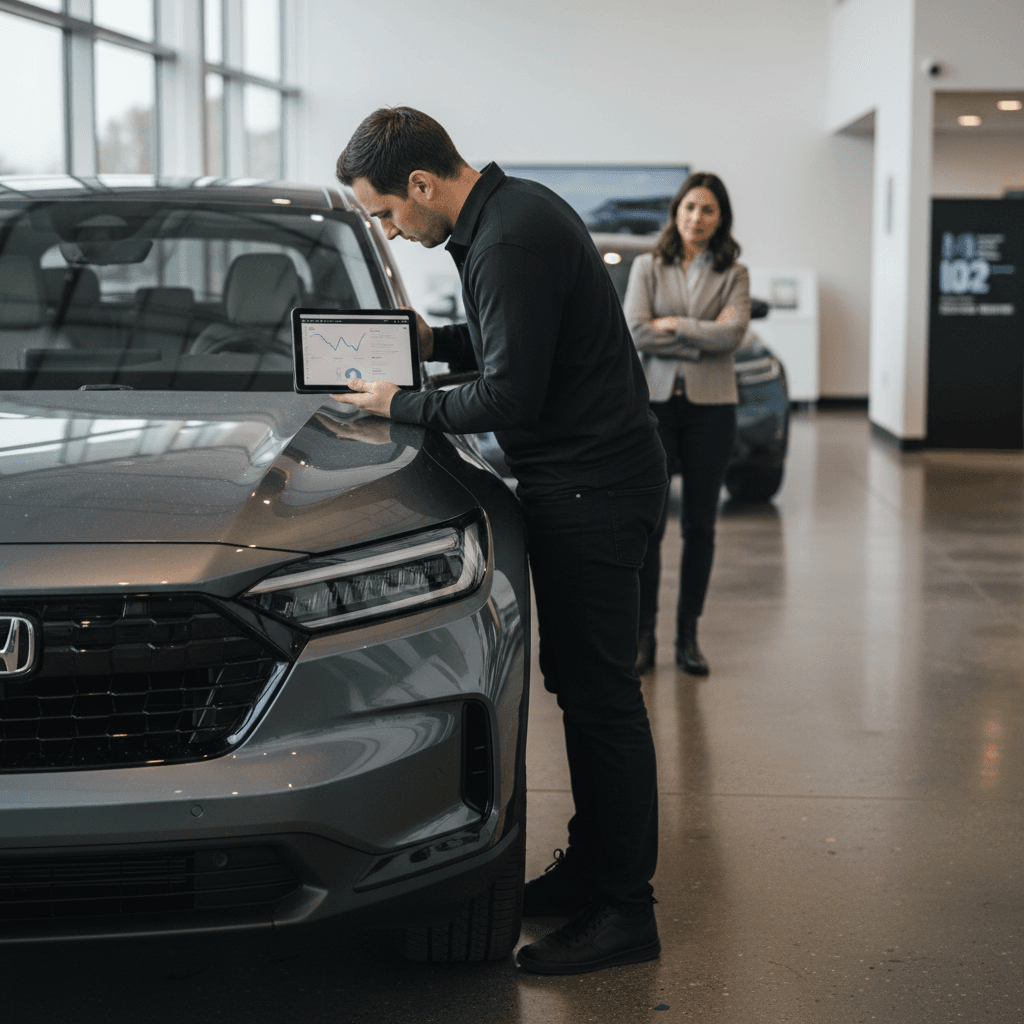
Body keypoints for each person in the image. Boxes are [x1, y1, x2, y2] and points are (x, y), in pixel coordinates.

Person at [332, 107, 667, 975]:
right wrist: (435, 343)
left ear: (421, 184)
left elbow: (510, 396)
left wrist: (396, 403)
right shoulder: (512, 215)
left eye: (386, 214)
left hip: (591, 489)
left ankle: (626, 912)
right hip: (594, 480)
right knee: (583, 690)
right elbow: (523, 341)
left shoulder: (506, 241)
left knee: (601, 702)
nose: (391, 232)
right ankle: (594, 872)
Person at [623, 173, 750, 677]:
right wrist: (703, 333)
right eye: (690, 207)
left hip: (712, 409)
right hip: (656, 408)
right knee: (650, 526)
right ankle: (644, 636)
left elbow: (734, 336)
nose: (697, 217)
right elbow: (636, 330)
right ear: (677, 211)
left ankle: (688, 636)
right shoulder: (647, 266)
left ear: (721, 219)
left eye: (709, 210)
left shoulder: (733, 272)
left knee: (701, 525)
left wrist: (672, 325)